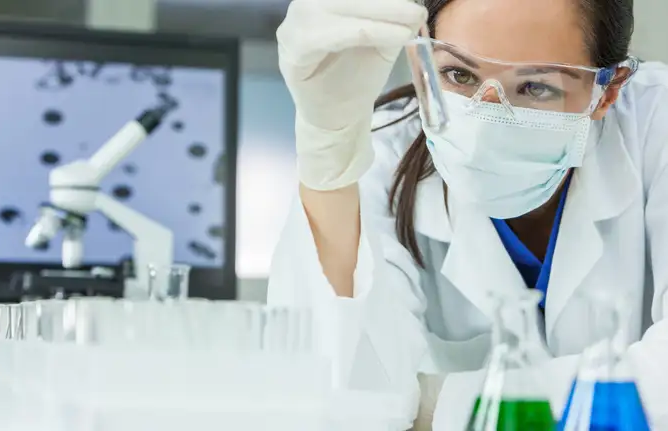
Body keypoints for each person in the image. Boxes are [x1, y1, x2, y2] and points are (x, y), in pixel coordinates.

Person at [270, 0, 668, 428]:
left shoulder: (655, 124)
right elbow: (331, 399)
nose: (484, 123)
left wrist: (440, 404)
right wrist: (326, 159)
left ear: (608, 90)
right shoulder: (378, 153)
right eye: (458, 74)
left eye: (536, 86)